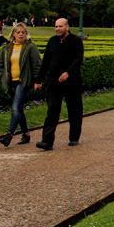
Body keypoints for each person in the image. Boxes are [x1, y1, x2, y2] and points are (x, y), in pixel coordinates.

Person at [33, 18, 85, 150]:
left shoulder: (76, 41)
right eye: (56, 26)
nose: (57, 29)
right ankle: (47, 141)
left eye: (60, 26)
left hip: (71, 81)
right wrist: (38, 80)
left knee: (74, 110)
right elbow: (46, 62)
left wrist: (68, 72)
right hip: (54, 81)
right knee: (52, 110)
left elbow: (78, 59)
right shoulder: (52, 41)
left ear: (67, 27)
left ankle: (74, 137)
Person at [0, 23, 42, 147]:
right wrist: (2, 77)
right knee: (19, 109)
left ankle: (9, 134)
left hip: (23, 82)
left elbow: (37, 65)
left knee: (15, 107)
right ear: (13, 34)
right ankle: (26, 134)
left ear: (26, 34)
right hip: (11, 82)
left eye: (23, 32)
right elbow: (0, 65)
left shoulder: (30, 47)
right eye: (18, 32)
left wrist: (37, 81)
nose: (21, 34)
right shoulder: (6, 48)